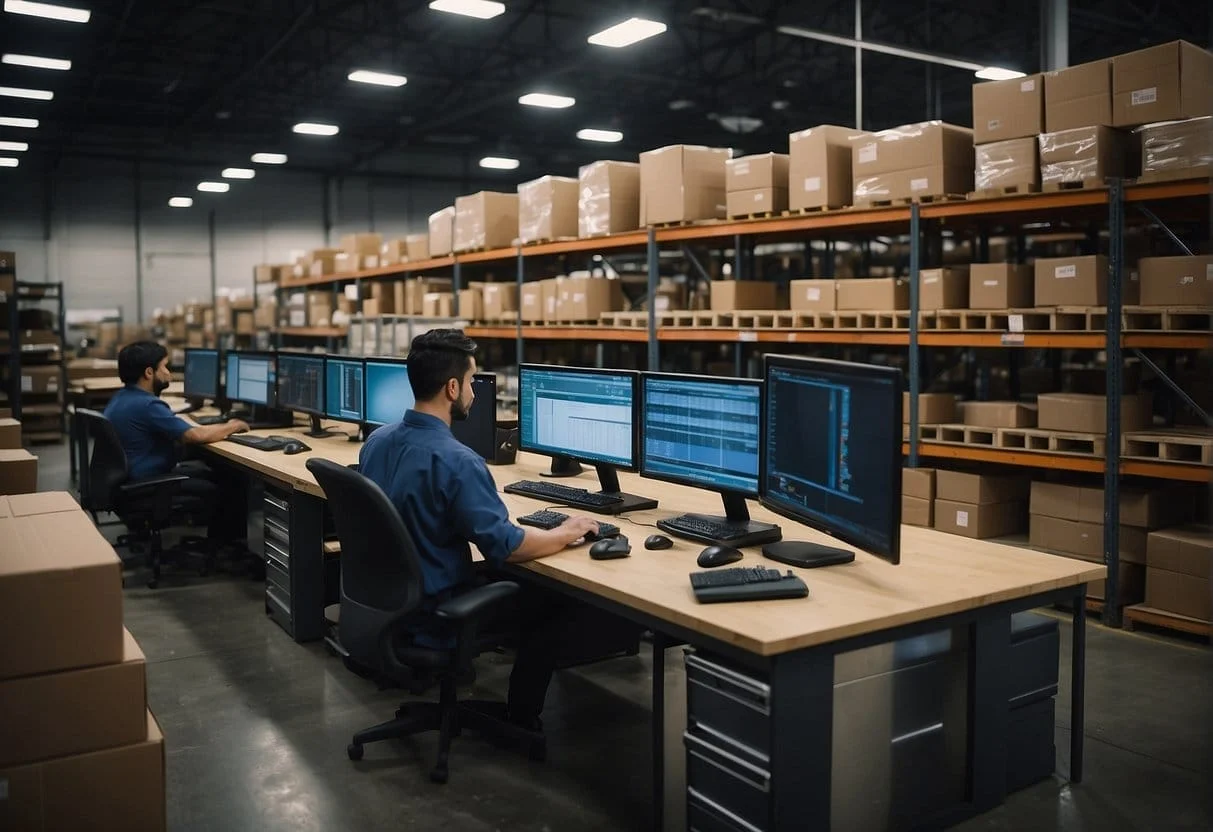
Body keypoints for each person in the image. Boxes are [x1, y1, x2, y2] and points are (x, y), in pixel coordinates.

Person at [359, 329, 626, 730]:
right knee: (551, 599)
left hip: (389, 604)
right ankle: (522, 720)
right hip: (437, 614)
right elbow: (507, 546)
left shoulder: (376, 442)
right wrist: (566, 531)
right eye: (471, 382)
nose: (474, 392)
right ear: (452, 388)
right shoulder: (457, 460)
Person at [103, 341, 249, 546]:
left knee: (213, 470)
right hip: (147, 483)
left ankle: (220, 545)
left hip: (129, 480)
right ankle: (226, 549)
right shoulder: (147, 405)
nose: (168, 372)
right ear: (148, 373)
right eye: (164, 366)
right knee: (230, 481)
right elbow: (195, 436)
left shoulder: (122, 398)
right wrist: (234, 425)